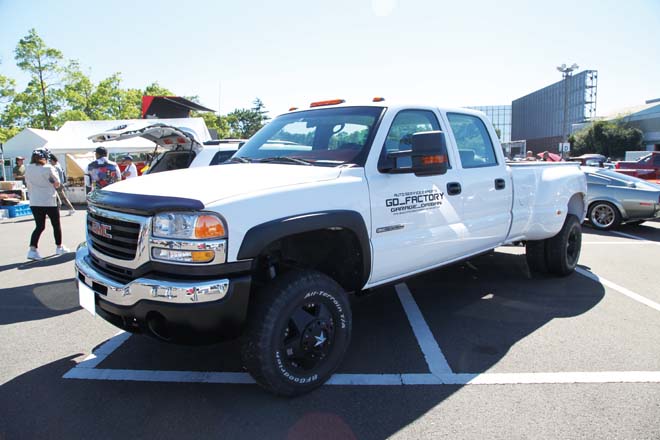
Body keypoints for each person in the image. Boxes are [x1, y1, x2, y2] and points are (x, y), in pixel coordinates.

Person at [24, 148, 69, 260]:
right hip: (49, 200)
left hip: (34, 200)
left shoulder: (28, 168)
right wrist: (52, 182)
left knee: (39, 226)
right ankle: (59, 247)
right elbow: (57, 184)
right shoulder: (49, 168)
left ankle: (32, 250)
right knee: (56, 224)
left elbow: (27, 183)